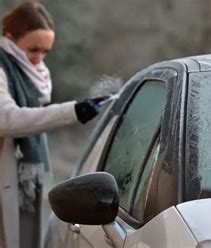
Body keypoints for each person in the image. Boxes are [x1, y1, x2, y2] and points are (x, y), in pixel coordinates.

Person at [0, 2, 106, 247]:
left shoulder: (30, 71)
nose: (39, 59)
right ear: (10, 39)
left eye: (45, 52)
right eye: (33, 49)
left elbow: (34, 116)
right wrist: (73, 111)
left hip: (26, 177)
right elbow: (8, 119)